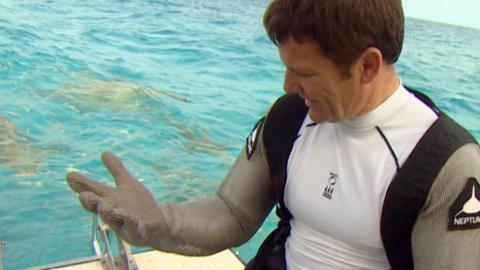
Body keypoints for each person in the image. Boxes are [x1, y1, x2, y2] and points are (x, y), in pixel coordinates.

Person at [67, 0, 480, 269]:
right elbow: (232, 212)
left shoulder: (447, 169)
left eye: (304, 73)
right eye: (285, 67)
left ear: (368, 66)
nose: (286, 86)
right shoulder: (289, 119)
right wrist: (158, 223)